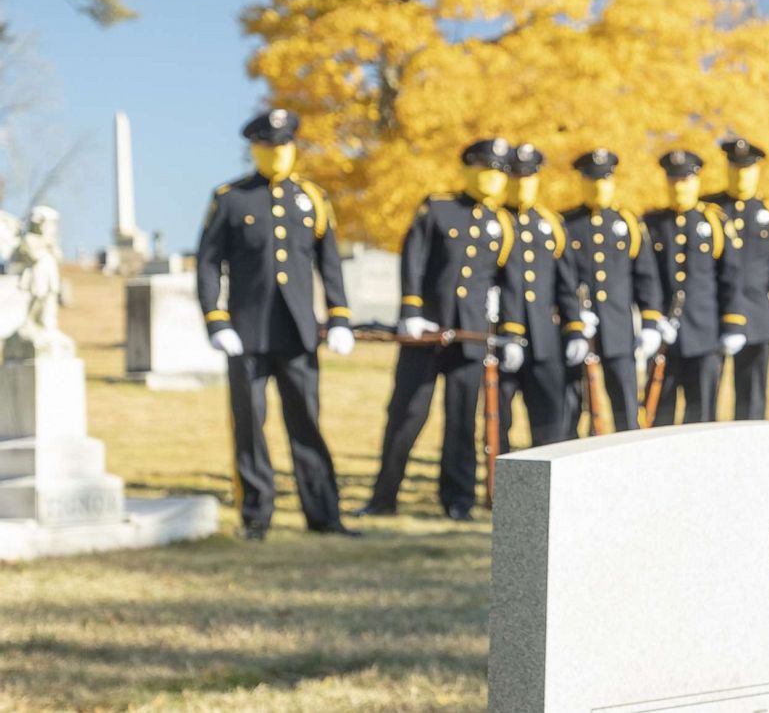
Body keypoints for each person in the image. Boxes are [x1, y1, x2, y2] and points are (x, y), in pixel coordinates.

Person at [196, 108, 358, 540]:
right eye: (269, 146)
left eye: (283, 145)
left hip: (298, 332)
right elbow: (208, 264)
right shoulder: (230, 198)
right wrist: (217, 320)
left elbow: (330, 264)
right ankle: (255, 516)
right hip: (246, 334)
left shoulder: (313, 199)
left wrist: (340, 317)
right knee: (249, 427)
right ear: (255, 149)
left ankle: (324, 515)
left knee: (307, 422)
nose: (277, 153)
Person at [358, 138, 524, 522]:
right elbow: (413, 259)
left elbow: (511, 282)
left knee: (462, 421)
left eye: (499, 170)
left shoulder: (503, 223)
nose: (492, 177)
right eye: (485, 167)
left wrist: (511, 333)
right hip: (426, 332)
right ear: (468, 168)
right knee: (406, 415)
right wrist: (411, 308)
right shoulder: (438, 207)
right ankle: (384, 497)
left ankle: (457, 501)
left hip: (470, 337)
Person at [561, 149, 663, 431]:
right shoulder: (567, 224)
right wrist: (574, 319)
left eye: (604, 179)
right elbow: (563, 279)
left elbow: (646, 278)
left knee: (626, 408)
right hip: (579, 332)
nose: (598, 186)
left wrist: (651, 321)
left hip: (618, 331)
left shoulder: (628, 223)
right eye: (592, 180)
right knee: (572, 407)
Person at [641, 150, 746, 425]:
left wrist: (732, 324)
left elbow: (731, 277)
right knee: (659, 412)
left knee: (701, 414)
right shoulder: (652, 224)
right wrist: (652, 320)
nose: (679, 186)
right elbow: (647, 277)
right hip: (665, 338)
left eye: (685, 179)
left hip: (704, 335)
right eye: (673, 180)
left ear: (696, 180)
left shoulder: (714, 221)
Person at [497, 143, 590, 448]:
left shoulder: (550, 225)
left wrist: (575, 328)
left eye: (528, 174)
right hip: (501, 340)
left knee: (551, 424)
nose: (522, 181)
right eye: (516, 174)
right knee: (498, 426)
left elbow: (565, 285)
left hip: (545, 342)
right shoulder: (493, 220)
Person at [701, 138, 769, 420]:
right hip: (714, 314)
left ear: (757, 170)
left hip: (758, 313)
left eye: (747, 167)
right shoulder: (710, 208)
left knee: (753, 397)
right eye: (736, 166)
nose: (741, 173)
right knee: (706, 398)